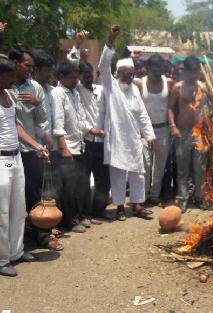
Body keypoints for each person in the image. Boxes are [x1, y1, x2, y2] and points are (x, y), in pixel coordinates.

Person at [98, 25, 155, 221]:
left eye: (133, 72)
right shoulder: (110, 85)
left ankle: (137, 205)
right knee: (119, 175)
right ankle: (120, 207)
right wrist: (110, 41)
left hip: (134, 139)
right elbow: (103, 65)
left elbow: (143, 115)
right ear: (118, 72)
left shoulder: (135, 90)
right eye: (128, 72)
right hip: (117, 140)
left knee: (138, 173)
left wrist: (150, 135)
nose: (131, 75)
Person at [0, 57, 48, 276]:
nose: (12, 79)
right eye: (8, 76)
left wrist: (36, 145)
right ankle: (2, 259)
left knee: (19, 208)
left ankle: (16, 251)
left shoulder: (9, 95)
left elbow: (16, 125)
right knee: (2, 212)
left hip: (17, 157)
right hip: (1, 160)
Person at [8, 48, 53, 248]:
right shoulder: (6, 87)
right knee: (11, 198)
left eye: (33, 67)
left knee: (34, 194)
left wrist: (38, 103)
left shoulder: (35, 87)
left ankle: (41, 235)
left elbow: (42, 119)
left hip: (30, 150)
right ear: (15, 63)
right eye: (27, 65)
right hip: (8, 150)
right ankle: (16, 240)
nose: (31, 70)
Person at [67, 30, 111, 221]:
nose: (87, 77)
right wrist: (77, 45)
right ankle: (84, 213)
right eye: (84, 75)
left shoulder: (101, 90)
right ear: (78, 77)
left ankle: (99, 210)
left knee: (103, 179)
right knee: (84, 180)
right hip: (86, 142)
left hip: (102, 143)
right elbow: (71, 64)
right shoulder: (76, 91)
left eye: (89, 74)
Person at [52, 60, 94, 233]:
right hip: (67, 148)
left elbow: (81, 119)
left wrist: (93, 130)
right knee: (67, 187)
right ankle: (68, 220)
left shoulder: (74, 93)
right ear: (61, 77)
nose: (76, 81)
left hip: (80, 146)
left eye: (77, 77)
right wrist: (63, 147)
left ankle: (78, 215)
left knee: (78, 185)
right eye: (72, 78)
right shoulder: (58, 93)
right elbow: (58, 123)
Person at [31, 49, 64, 250]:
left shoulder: (51, 90)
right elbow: (37, 122)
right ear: (35, 70)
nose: (49, 75)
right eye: (46, 71)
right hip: (33, 146)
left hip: (48, 146)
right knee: (38, 191)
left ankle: (47, 226)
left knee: (49, 189)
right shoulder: (30, 90)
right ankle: (41, 234)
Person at [168, 56, 208, 213]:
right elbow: (171, 108)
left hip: (199, 133)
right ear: (184, 71)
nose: (193, 75)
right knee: (182, 169)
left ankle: (199, 197)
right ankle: (183, 198)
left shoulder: (204, 88)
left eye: (196, 72)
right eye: (190, 72)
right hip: (182, 133)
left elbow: (211, 108)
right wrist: (173, 126)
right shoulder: (177, 88)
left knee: (200, 168)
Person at [135, 54, 174, 205]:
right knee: (145, 164)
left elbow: (172, 106)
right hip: (144, 131)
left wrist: (172, 126)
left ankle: (154, 195)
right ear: (148, 69)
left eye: (160, 69)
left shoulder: (168, 83)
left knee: (160, 166)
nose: (157, 72)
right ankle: (142, 196)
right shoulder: (139, 84)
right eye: (154, 69)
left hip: (163, 129)